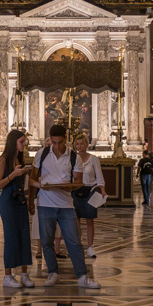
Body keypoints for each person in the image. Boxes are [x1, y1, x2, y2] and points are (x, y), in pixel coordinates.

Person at [35, 123, 97, 288]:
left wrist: (68, 186)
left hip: (66, 205)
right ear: (50, 140)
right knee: (47, 242)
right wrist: (40, 187)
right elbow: (33, 178)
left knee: (74, 242)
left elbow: (79, 181)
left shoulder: (73, 157)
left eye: (60, 142)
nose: (57, 146)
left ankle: (83, 276)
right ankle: (53, 273)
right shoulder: (41, 154)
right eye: (53, 142)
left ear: (66, 140)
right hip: (45, 203)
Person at [0, 129, 34, 288]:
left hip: (20, 200)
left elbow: (25, 183)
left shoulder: (20, 158)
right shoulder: (3, 159)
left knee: (25, 235)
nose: (24, 144)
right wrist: (13, 174)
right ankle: (7, 275)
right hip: (8, 201)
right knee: (11, 237)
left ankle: (24, 274)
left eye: (24, 141)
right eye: (21, 141)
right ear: (13, 142)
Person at [72, 133, 106, 258]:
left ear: (87, 145)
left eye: (82, 144)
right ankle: (78, 246)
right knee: (76, 220)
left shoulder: (93, 159)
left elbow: (99, 176)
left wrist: (102, 189)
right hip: (76, 190)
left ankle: (90, 247)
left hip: (90, 190)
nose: (79, 146)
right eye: (77, 144)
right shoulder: (73, 158)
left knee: (89, 220)